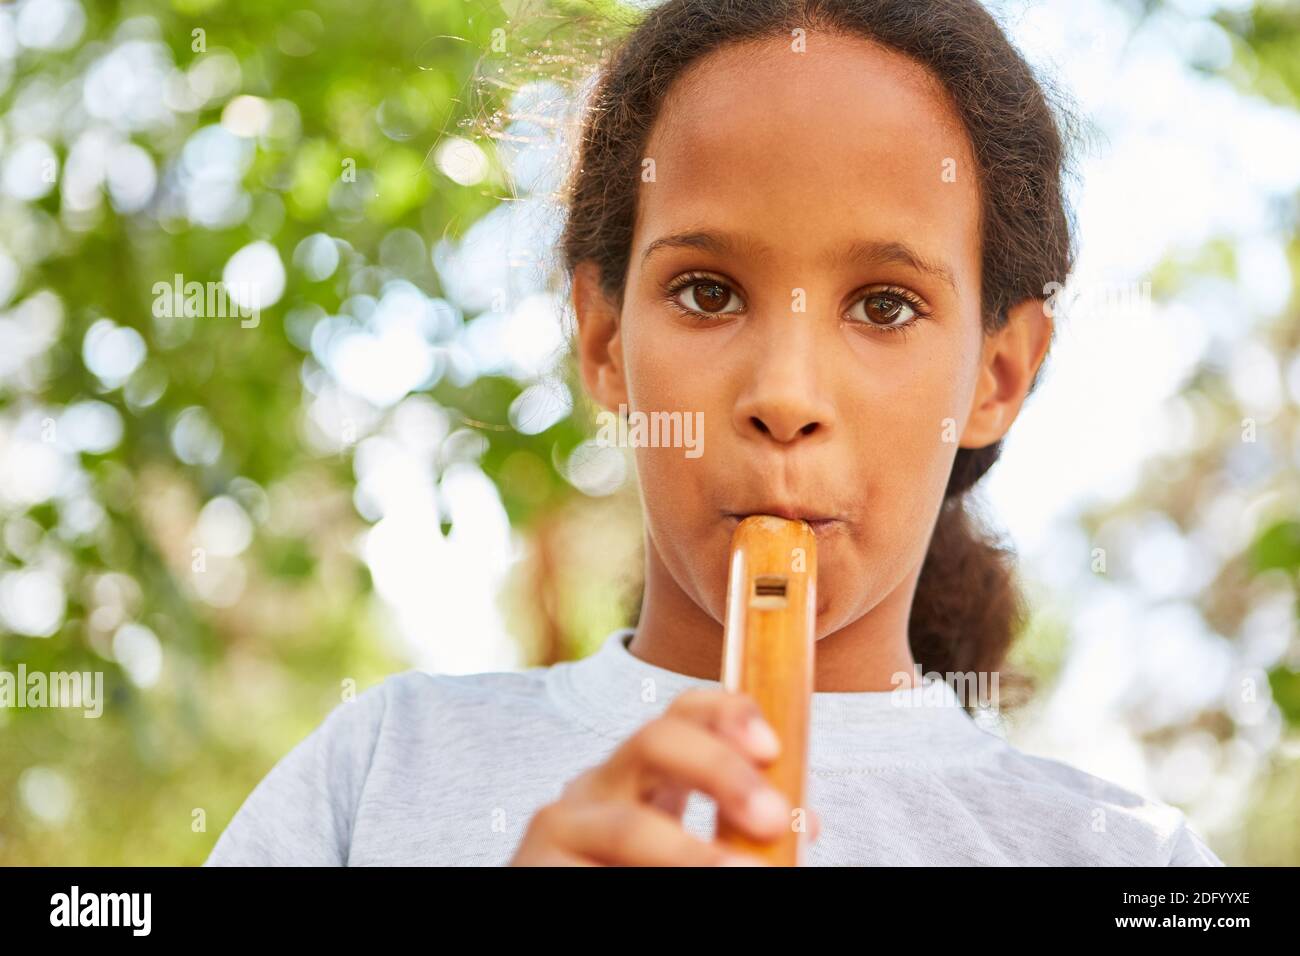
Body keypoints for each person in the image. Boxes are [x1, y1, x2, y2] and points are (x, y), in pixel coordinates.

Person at [206, 0, 1224, 866]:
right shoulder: (383, 767)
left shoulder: (1124, 854)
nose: (783, 395)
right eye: (706, 291)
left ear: (998, 374)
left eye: (882, 304)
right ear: (603, 341)